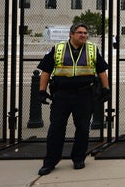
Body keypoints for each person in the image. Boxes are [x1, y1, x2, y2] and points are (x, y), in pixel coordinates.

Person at [37, 23, 110, 176]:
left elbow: (101, 70)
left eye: (85, 33)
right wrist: (42, 91)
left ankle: (78, 158)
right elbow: (46, 71)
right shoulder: (58, 49)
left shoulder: (92, 49)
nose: (83, 35)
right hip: (62, 95)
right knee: (56, 128)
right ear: (71, 34)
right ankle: (50, 161)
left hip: (84, 95)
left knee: (83, 128)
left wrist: (106, 89)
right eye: (79, 33)